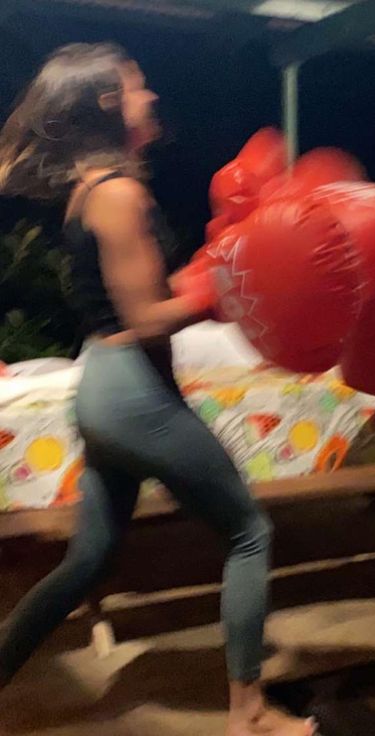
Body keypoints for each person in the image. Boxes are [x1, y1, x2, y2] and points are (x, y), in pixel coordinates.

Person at [0, 43, 316, 736]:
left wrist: (214, 266)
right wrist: (228, 284)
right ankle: (251, 714)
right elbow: (146, 317)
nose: (152, 95)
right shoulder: (119, 193)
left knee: (87, 559)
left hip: (104, 386)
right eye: (138, 84)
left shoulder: (91, 189)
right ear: (109, 101)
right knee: (249, 533)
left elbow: (133, 301)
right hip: (131, 390)